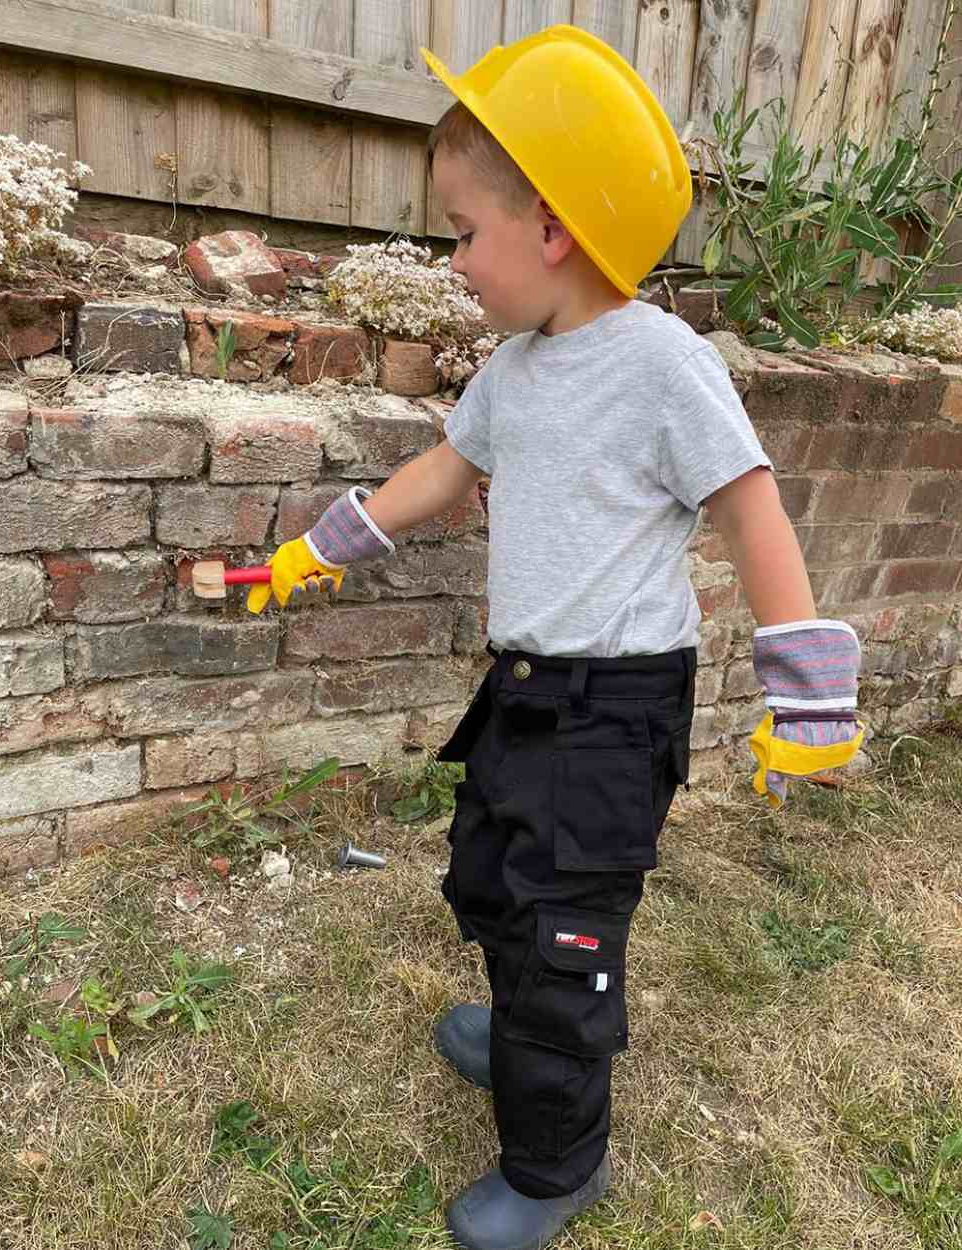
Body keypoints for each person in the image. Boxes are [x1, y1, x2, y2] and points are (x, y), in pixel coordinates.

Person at [246, 25, 863, 1250]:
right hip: (521, 689)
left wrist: (806, 702)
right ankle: (527, 1013)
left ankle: (554, 1159)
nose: (452, 259)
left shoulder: (662, 364)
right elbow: (442, 471)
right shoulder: (513, 372)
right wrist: (323, 543)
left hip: (616, 708)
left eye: (465, 232)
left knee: (564, 922)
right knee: (486, 874)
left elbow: (752, 508)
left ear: (553, 229)